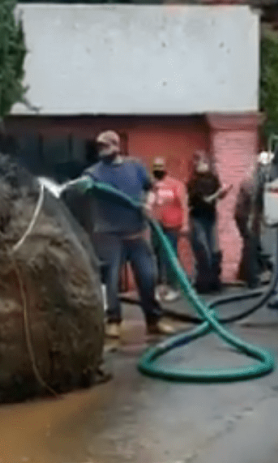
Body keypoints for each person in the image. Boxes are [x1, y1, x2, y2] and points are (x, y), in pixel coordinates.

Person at [83, 131, 174, 339]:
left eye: (106, 146)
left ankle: (154, 320)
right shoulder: (93, 173)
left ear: (117, 147)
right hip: (109, 235)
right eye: (99, 147)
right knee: (111, 280)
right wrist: (82, 187)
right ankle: (113, 320)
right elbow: (82, 188)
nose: (102, 150)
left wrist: (148, 204)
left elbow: (150, 189)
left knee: (148, 276)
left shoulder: (135, 166)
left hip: (136, 233)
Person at [186, 151, 232, 294]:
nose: (202, 165)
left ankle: (214, 281)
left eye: (204, 162)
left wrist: (223, 192)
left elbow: (218, 197)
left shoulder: (213, 179)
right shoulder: (193, 182)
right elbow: (204, 200)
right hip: (198, 217)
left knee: (215, 251)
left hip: (211, 217)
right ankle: (203, 283)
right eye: (199, 162)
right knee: (203, 250)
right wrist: (217, 194)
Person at [149, 157, 189, 302]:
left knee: (170, 256)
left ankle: (174, 287)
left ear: (166, 168)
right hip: (155, 225)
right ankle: (160, 286)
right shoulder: (151, 185)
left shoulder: (175, 185)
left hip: (172, 225)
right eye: (155, 166)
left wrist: (185, 224)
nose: (158, 169)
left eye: (160, 166)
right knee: (156, 256)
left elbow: (184, 205)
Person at [234, 151, 274, 287]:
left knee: (252, 245)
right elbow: (254, 201)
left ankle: (245, 275)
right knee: (251, 245)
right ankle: (252, 278)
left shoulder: (254, 179)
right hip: (247, 216)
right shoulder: (253, 181)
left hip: (247, 216)